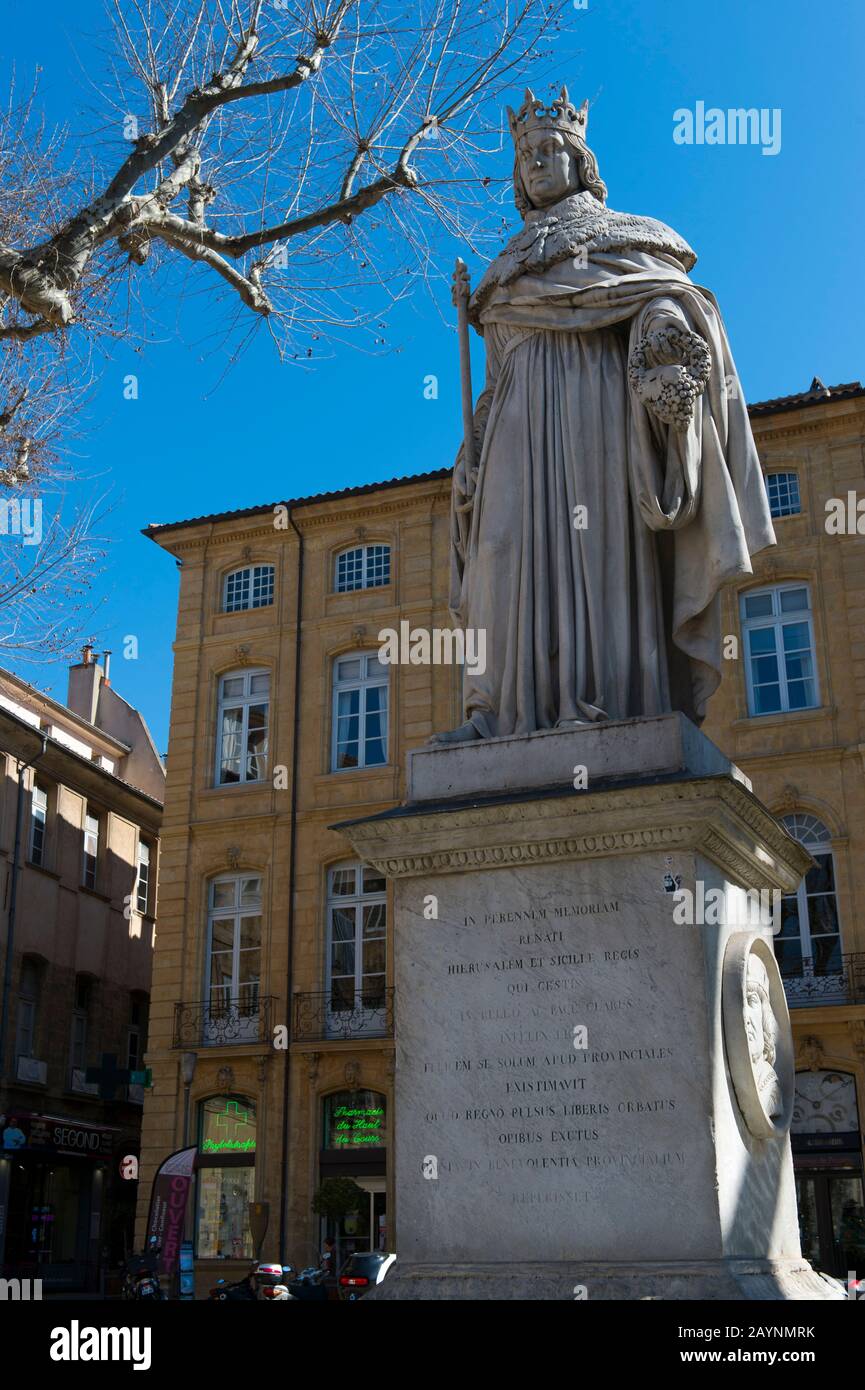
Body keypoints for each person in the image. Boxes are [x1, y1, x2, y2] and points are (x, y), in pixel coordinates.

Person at [435, 87, 773, 744]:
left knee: (595, 550)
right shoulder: (502, 270)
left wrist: (664, 348)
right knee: (496, 555)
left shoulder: (629, 238)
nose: (535, 162)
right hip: (513, 425)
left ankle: (614, 702)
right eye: (525, 154)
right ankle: (496, 713)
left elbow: (667, 300)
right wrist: (470, 451)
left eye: (549, 149)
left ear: (580, 160)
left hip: (593, 410)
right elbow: (494, 378)